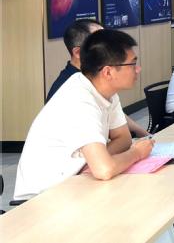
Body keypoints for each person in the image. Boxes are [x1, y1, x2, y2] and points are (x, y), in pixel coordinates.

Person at [14, 30, 154, 200]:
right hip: (41, 198)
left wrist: (96, 160)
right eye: (132, 64)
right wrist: (135, 153)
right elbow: (105, 170)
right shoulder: (79, 99)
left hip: (73, 183)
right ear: (108, 72)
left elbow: (123, 139)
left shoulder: (106, 90)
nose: (138, 69)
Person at [47, 19, 149, 137]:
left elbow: (117, 118)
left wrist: (147, 136)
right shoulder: (72, 90)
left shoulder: (99, 77)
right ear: (78, 53)